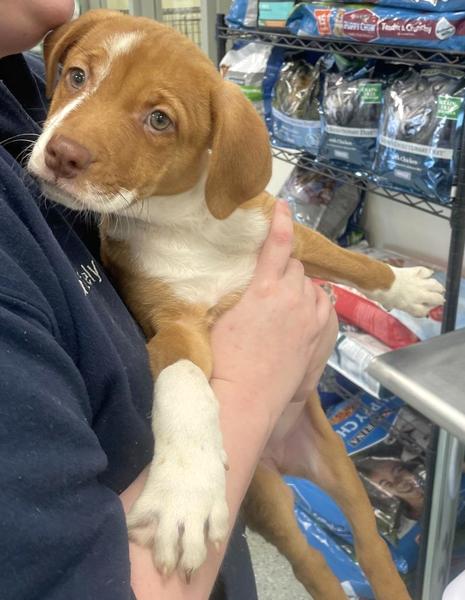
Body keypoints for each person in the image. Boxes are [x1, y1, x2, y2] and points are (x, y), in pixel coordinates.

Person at [0, 2, 337, 599]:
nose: (70, 142)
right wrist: (253, 386)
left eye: (158, 119)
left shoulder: (22, 80)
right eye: (77, 77)